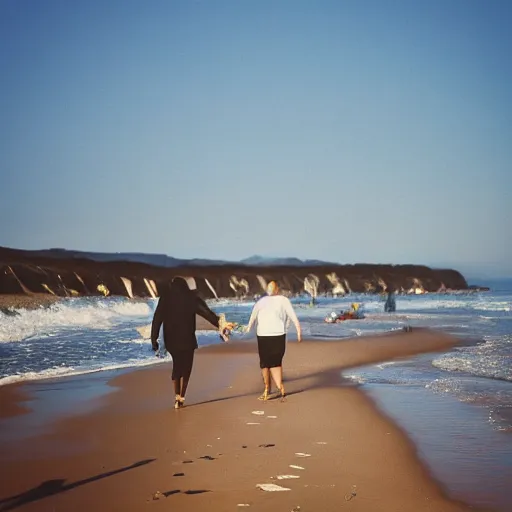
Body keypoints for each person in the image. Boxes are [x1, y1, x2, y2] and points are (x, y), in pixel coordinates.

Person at [150, 277, 232, 409]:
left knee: (177, 365)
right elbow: (206, 312)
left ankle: (176, 395)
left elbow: (157, 318)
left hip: (171, 339)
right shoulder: (191, 297)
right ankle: (181, 397)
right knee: (187, 368)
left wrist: (153, 339)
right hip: (187, 338)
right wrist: (218, 323)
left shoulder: (165, 297)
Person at [246, 281, 302, 401]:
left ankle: (267, 389)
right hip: (278, 335)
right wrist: (298, 330)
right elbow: (293, 316)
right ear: (277, 290)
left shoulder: (261, 302)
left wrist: (245, 329)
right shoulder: (283, 300)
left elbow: (252, 319)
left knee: (265, 363)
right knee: (276, 362)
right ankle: (280, 387)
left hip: (263, 335)